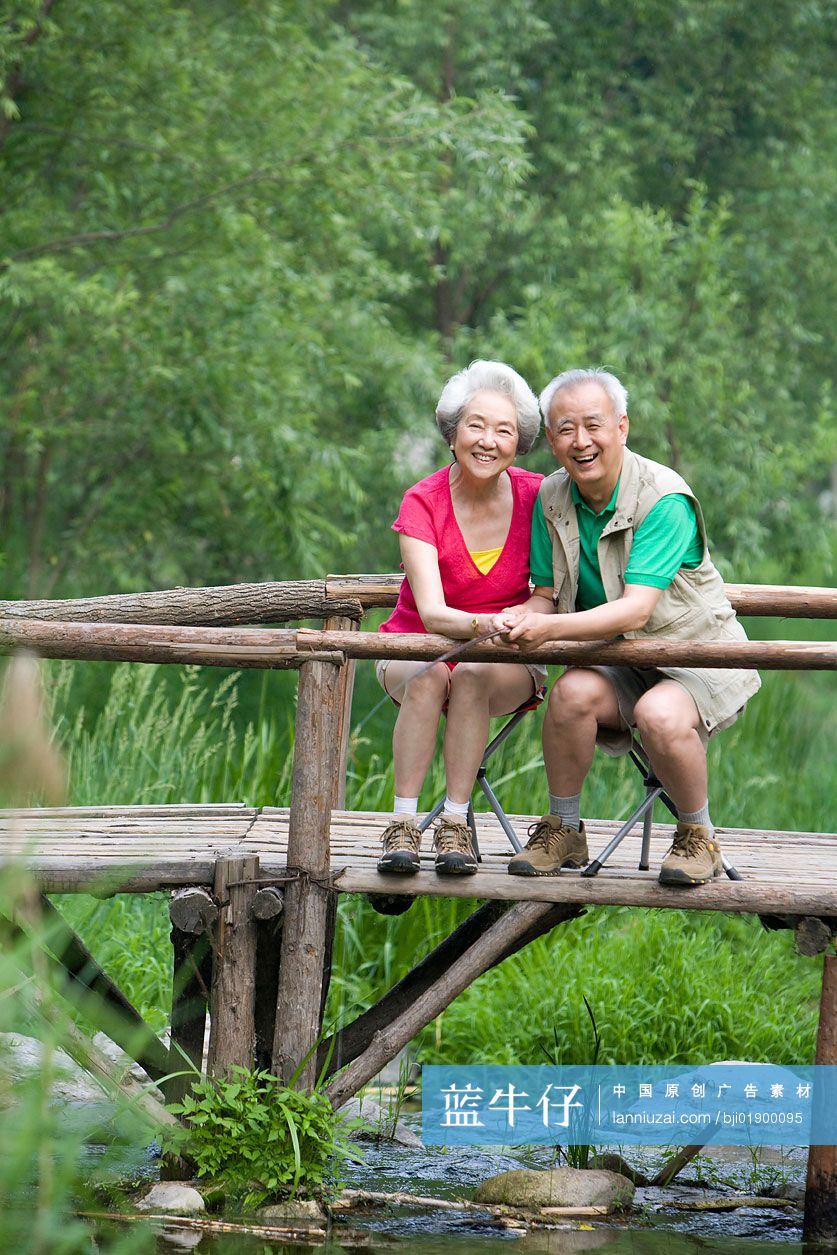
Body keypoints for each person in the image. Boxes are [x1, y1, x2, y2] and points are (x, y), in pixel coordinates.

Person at [492, 367, 761, 886]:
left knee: (658, 713)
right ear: (550, 439)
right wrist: (524, 617)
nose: (580, 440)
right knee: (569, 695)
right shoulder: (551, 497)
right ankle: (563, 829)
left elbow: (638, 611)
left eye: (593, 424)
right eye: (565, 428)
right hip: (622, 660)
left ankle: (697, 837)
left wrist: (550, 632)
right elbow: (545, 596)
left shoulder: (665, 497)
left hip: (695, 656)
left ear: (622, 427)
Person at [376, 360, 545, 877]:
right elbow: (429, 612)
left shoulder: (539, 496)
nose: (488, 440)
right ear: (453, 433)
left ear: (519, 443)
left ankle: (455, 823)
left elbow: (550, 593)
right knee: (433, 676)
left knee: (469, 675)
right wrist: (487, 623)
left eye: (504, 430)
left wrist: (522, 618)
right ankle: (403, 825)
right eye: (476, 425)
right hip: (416, 646)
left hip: (505, 658)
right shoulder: (422, 500)